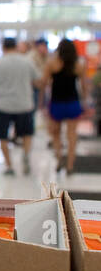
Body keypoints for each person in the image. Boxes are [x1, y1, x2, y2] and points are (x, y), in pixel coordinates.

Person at [0, 36, 37, 176]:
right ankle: (25, 155)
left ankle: (9, 165)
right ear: (16, 47)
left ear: (3, 47)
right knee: (26, 134)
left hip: (3, 105)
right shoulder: (27, 62)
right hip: (24, 104)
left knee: (2, 136)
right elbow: (37, 81)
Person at [42, 39, 84, 179]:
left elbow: (44, 83)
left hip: (57, 103)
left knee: (56, 134)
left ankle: (59, 159)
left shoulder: (52, 63)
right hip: (73, 102)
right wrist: (84, 102)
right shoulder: (78, 65)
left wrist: (42, 103)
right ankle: (70, 165)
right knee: (72, 135)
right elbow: (83, 86)